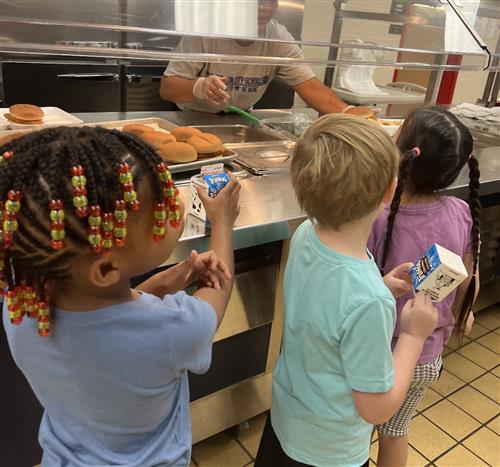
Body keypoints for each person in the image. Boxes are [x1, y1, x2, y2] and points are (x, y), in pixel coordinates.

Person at [0, 126, 240, 466]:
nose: (177, 207)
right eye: (163, 210)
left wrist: (160, 283)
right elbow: (220, 287)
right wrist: (224, 223)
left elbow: (103, 328)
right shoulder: (172, 329)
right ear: (106, 269)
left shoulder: (22, 308)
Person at [255, 114, 438, 467]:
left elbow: (327, 311)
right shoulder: (370, 301)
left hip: (287, 421)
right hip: (328, 452)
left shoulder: (306, 235)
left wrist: (380, 285)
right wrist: (413, 336)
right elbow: (375, 407)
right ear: (390, 190)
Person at [368, 106, 481, 467]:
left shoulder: (378, 215)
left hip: (376, 355)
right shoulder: (461, 212)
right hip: (426, 359)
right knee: (396, 432)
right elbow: (468, 278)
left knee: (355, 433)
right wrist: (466, 310)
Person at [160, 0, 366, 115]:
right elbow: (167, 88)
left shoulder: (278, 38)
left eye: (270, 0)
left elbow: (311, 87)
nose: (264, 7)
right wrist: (199, 87)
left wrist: (347, 112)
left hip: (241, 117)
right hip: (191, 116)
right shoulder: (206, 31)